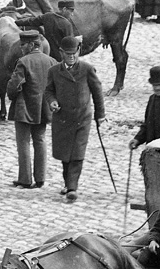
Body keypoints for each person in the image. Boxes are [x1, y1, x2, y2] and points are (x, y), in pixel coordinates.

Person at [44, 36, 105, 202]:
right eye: (68, 53)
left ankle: (72, 187)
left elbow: (97, 92)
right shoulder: (54, 71)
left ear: (79, 51)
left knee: (77, 153)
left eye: (74, 53)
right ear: (62, 53)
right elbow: (48, 91)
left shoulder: (87, 69)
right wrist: (52, 102)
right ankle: (67, 182)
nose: (71, 56)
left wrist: (100, 115)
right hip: (62, 118)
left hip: (82, 118)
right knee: (65, 154)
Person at [6, 28, 58, 189]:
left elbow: (13, 86)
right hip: (43, 108)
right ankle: (40, 178)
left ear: (30, 45)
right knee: (40, 140)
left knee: (23, 142)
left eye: (23, 45)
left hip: (24, 109)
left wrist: (12, 95)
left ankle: (25, 179)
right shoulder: (51, 61)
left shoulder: (23, 62)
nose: (21, 48)